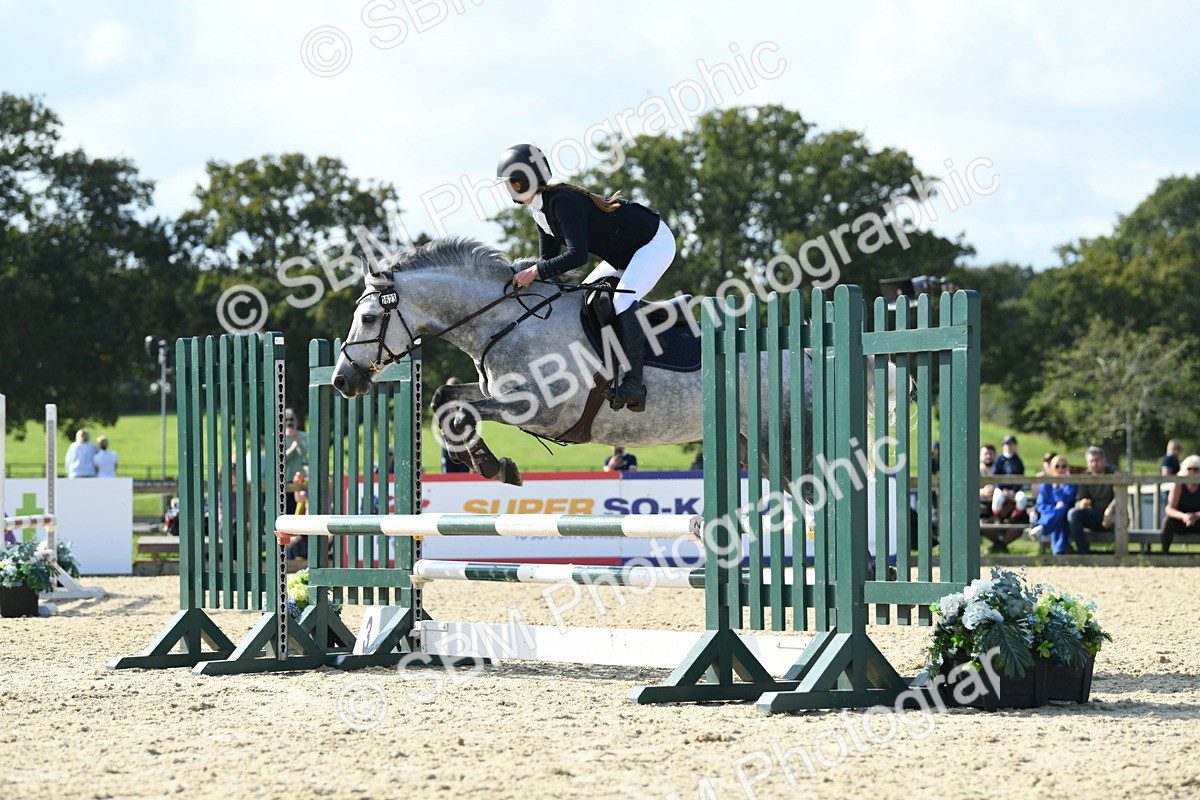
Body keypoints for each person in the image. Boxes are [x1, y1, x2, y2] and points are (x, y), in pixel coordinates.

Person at [500, 143, 677, 413]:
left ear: (524, 181)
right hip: (623, 254)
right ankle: (606, 360)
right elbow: (550, 264)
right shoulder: (541, 211)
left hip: (653, 243)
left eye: (511, 181)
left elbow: (577, 256)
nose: (508, 188)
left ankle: (634, 384)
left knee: (619, 301)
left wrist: (534, 271)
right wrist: (527, 278)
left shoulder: (560, 202)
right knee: (587, 296)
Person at [1066, 445, 1116, 554]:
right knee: (1073, 513)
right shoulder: (1085, 477)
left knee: (1119, 520)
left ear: (1104, 460)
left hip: (1114, 516)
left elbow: (1120, 496)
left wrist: (1110, 509)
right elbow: (1079, 500)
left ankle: (1120, 554)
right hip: (1095, 516)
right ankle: (1083, 552)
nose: (1094, 464)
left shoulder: (1114, 473)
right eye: (1091, 461)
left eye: (1097, 460)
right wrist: (1081, 504)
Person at [1035, 455, 1077, 555]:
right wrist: (1054, 510)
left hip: (1066, 515)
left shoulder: (1071, 482)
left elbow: (1069, 499)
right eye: (1057, 466)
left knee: (1062, 510)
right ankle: (1059, 552)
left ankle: (1042, 527)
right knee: (1059, 516)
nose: (1060, 469)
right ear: (1052, 468)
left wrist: (1057, 488)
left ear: (1067, 468)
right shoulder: (1046, 484)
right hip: (1051, 515)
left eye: (1063, 466)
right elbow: (1041, 504)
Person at [1161, 454, 1200, 553]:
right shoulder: (1178, 484)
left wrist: (1196, 516)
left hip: (1198, 521)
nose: (1192, 472)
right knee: (1168, 521)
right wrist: (1184, 516)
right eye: (1189, 469)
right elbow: (1169, 508)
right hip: (1181, 521)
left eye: (1196, 469)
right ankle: (1164, 554)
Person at [992, 435, 1029, 524]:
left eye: (1011, 444)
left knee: (1022, 498)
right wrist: (1002, 489)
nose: (1009, 447)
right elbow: (995, 476)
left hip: (1015, 489)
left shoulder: (1018, 460)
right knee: (997, 500)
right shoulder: (999, 460)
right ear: (1003, 446)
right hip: (1001, 488)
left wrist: (1014, 491)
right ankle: (998, 518)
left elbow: (1021, 477)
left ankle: (1013, 517)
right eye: (1007, 444)